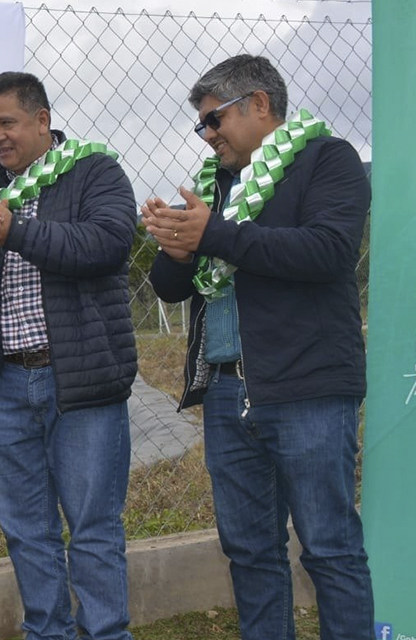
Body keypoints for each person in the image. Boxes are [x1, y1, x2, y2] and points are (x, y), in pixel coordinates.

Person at [143, 54, 372, 640]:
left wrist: (212, 233)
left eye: (213, 120)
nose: (207, 134)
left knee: (328, 547)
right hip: (225, 389)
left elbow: (327, 253)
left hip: (307, 389)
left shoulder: (328, 159)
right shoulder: (217, 184)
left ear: (260, 104)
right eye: (202, 126)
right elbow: (173, 287)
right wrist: (174, 247)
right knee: (248, 549)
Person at [0, 72, 138, 640]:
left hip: (82, 381)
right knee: (25, 528)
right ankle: (48, 631)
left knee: (93, 527)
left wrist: (15, 230)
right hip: (7, 386)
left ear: (42, 121)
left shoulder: (94, 170)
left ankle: (105, 633)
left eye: (7, 122)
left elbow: (107, 243)